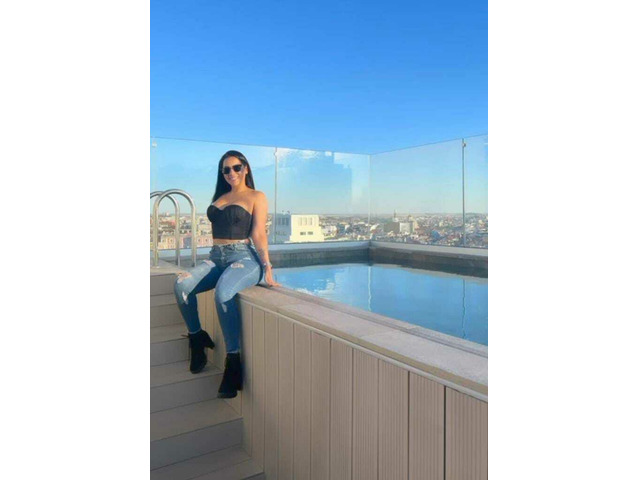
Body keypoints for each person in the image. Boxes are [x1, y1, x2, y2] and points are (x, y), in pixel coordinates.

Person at [173, 150, 281, 398]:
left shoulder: (256, 196)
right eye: (226, 169)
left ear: (246, 168)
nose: (231, 173)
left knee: (223, 293)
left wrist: (267, 266)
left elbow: (259, 233)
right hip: (216, 257)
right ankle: (197, 338)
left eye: (236, 167)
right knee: (181, 285)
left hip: (244, 257)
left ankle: (233, 361)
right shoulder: (220, 197)